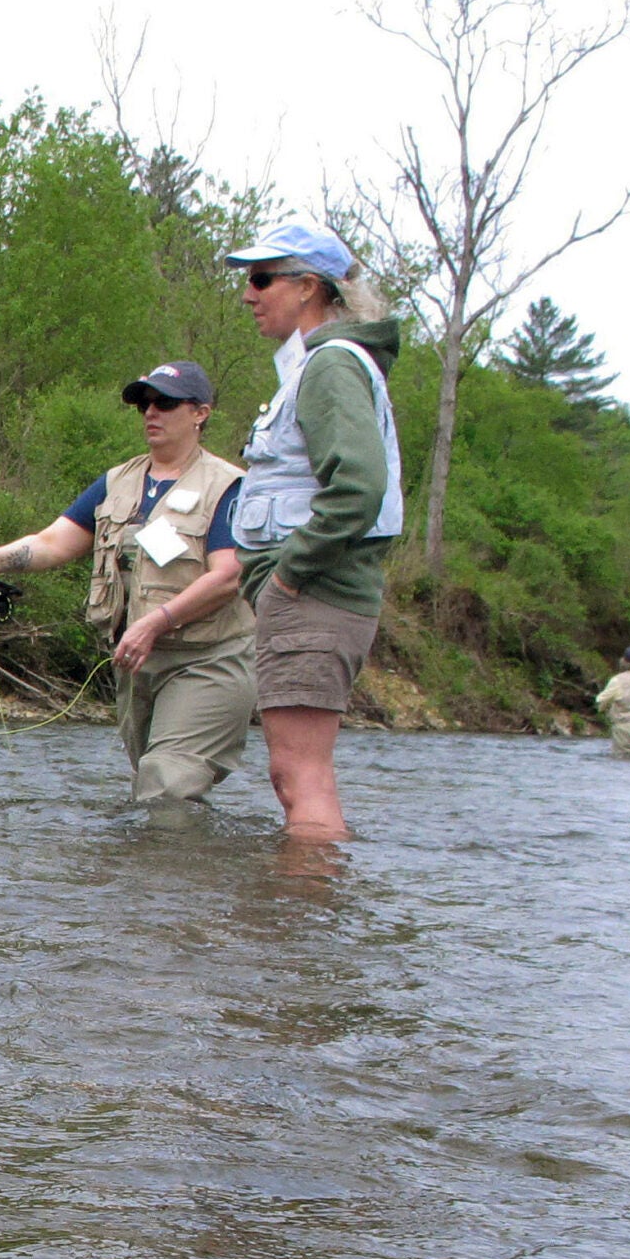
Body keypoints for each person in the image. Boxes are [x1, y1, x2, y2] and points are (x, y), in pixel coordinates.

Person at [0, 361, 254, 802]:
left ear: (200, 413)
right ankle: (177, 870)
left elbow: (228, 576)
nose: (151, 413)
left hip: (210, 659)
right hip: (137, 662)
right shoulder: (117, 482)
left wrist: (154, 622)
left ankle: (174, 868)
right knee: (155, 785)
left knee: (167, 781)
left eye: (165, 403)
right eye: (144, 404)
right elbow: (53, 543)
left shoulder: (229, 487)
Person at [223, 219, 405, 840]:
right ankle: (305, 929)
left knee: (300, 776)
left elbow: (358, 485)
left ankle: (301, 925)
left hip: (316, 596)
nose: (248, 294)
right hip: (314, 598)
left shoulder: (329, 366)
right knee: (293, 775)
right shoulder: (322, 365)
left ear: (307, 286)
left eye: (260, 278)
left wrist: (289, 579)